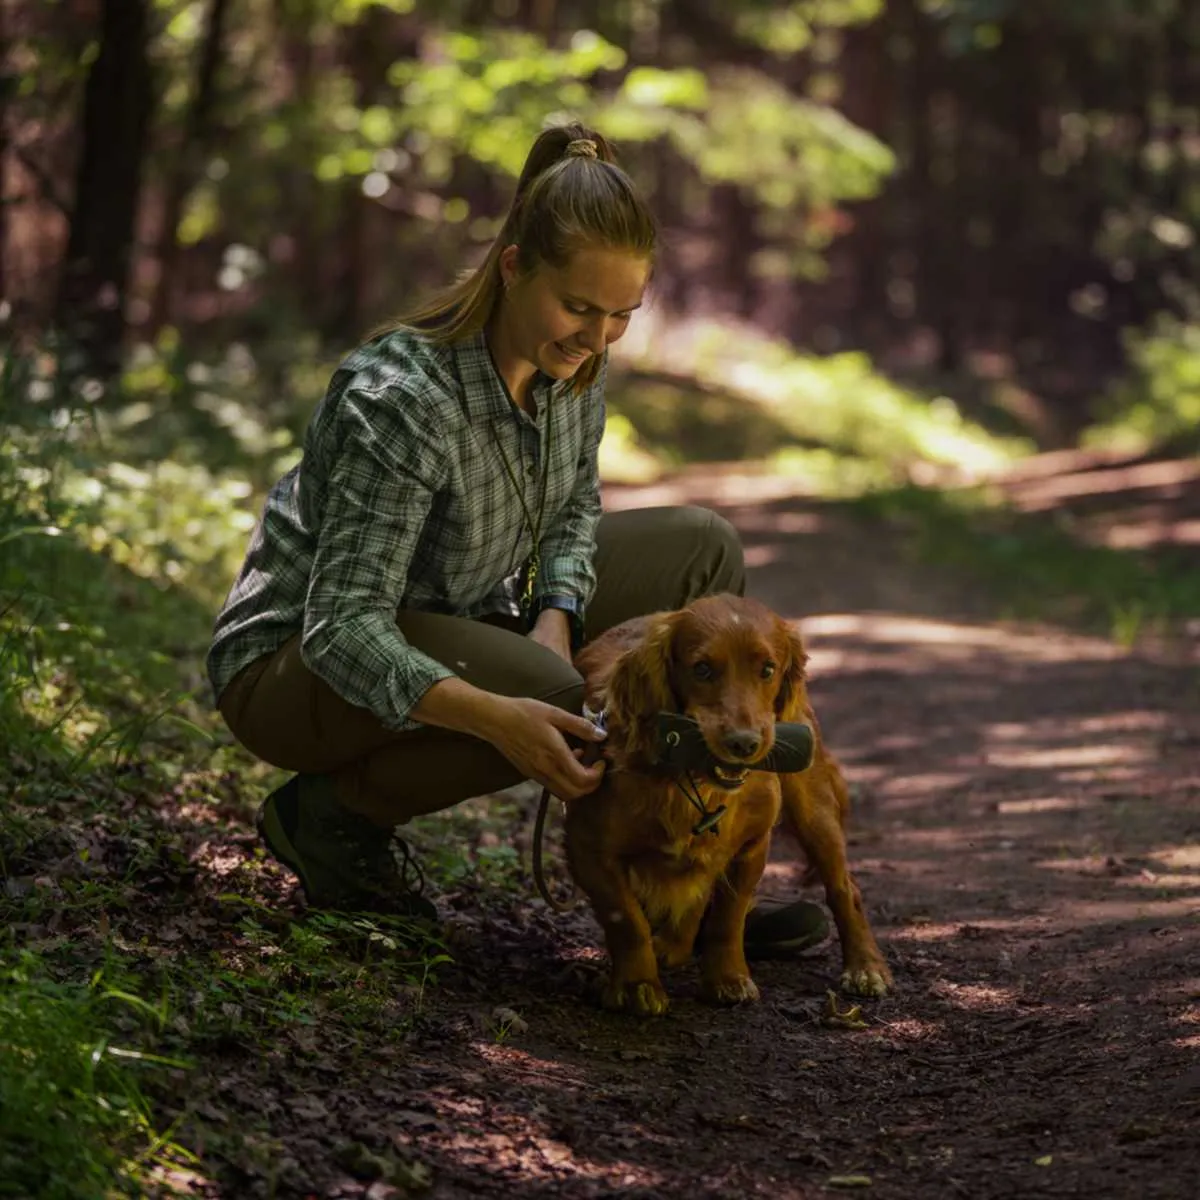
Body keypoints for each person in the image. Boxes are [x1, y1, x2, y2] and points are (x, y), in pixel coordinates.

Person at [207, 122, 829, 957]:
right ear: (511, 266)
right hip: (296, 673)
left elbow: (573, 511)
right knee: (552, 692)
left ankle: (694, 871)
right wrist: (504, 718)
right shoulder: (401, 399)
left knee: (702, 551)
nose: (597, 337)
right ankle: (329, 819)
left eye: (622, 315)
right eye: (578, 307)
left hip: (459, 614)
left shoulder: (574, 370)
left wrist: (557, 610)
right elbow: (343, 627)